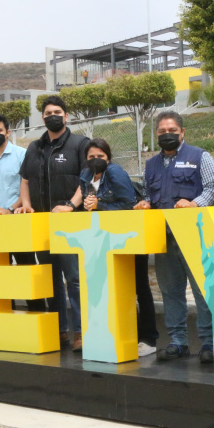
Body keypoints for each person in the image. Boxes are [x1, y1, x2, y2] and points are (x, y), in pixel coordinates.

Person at [133, 110, 214, 363]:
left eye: (172, 131)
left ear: (182, 132)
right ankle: (178, 341)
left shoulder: (199, 156)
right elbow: (150, 195)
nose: (167, 135)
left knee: (202, 291)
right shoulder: (151, 165)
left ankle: (208, 343)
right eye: (161, 132)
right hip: (164, 238)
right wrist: (145, 204)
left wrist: (195, 203)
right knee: (170, 292)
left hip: (195, 235)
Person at [16, 96, 88, 348]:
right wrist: (25, 204)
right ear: (43, 117)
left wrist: (70, 205)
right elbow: (25, 180)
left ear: (66, 116)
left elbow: (87, 180)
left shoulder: (80, 144)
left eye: (57, 112)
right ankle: (59, 329)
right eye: (47, 112)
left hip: (70, 225)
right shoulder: (34, 147)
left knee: (75, 278)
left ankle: (81, 331)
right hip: (42, 224)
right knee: (51, 278)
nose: (52, 116)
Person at [79, 138, 158, 356]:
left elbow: (128, 203)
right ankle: (120, 334)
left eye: (100, 157)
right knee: (111, 289)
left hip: (129, 238)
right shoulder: (85, 175)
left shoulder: (115, 173)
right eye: (91, 157)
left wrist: (99, 205)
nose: (96, 161)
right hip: (103, 240)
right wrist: (87, 206)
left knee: (139, 286)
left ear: (108, 157)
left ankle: (148, 339)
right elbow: (88, 203)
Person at [0, 113, 40, 311]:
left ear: (8, 132)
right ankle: (6, 315)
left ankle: (37, 311)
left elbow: (27, 186)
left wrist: (11, 209)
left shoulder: (22, 155)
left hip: (17, 222)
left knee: (26, 270)